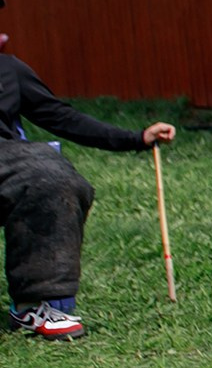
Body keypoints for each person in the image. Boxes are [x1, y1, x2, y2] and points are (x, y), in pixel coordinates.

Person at [0, 37, 176, 342]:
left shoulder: (8, 71)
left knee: (51, 177)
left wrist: (136, 138)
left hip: (5, 158)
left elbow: (61, 117)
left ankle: (36, 304)